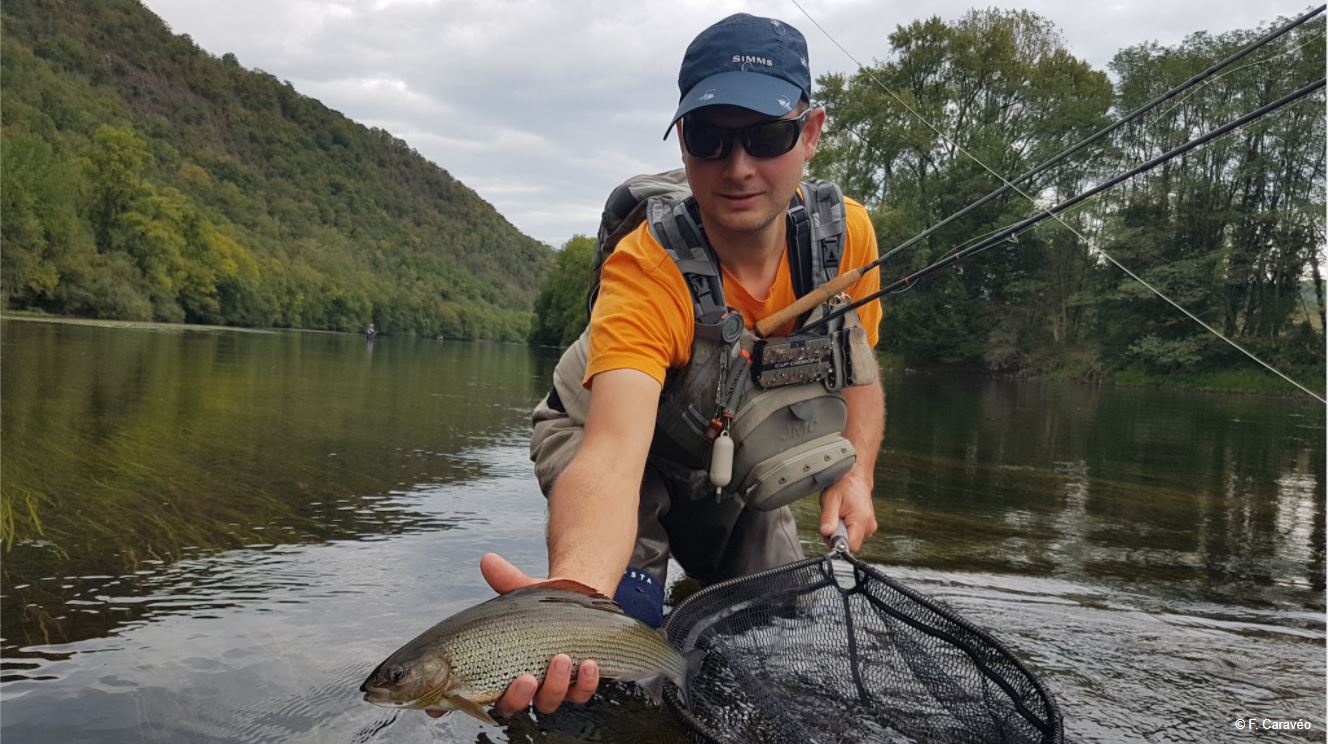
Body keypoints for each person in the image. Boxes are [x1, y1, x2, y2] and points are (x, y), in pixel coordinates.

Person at [432, 12, 885, 722]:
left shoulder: (844, 239)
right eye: (710, 139)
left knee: (778, 634)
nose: (737, 167)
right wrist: (571, 604)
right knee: (613, 662)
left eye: (764, 136)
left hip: (723, 456)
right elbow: (611, 459)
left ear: (810, 132)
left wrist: (856, 477)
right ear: (682, 138)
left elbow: (859, 371)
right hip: (606, 436)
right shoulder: (647, 268)